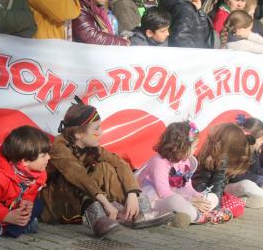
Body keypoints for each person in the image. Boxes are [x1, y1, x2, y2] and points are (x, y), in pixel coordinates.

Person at [41, 101, 172, 237]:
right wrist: (106, 203)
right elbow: (78, 176)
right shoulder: (59, 147)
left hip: (82, 198)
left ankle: (139, 211)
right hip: (58, 204)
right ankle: (97, 219)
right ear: (79, 134)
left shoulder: (92, 147)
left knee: (104, 168)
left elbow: (120, 163)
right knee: (73, 178)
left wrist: (132, 194)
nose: (101, 132)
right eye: (96, 129)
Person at [136, 122, 228, 228]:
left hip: (175, 196)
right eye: (194, 147)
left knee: (212, 197)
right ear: (181, 147)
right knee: (176, 201)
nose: (196, 150)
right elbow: (163, 193)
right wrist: (189, 201)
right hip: (151, 201)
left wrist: (197, 197)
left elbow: (187, 186)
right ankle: (198, 216)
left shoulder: (185, 161)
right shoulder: (159, 162)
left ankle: (189, 213)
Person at [0, 126, 50, 238]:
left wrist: (27, 204)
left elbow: (30, 194)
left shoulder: (40, 173)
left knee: (38, 205)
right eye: (43, 155)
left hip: (12, 208)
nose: (49, 157)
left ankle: (0, 230)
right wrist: (6, 216)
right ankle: (7, 230)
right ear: (25, 161)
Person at [192, 123, 251, 221]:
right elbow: (211, 187)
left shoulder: (214, 158)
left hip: (204, 197)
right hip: (198, 198)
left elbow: (217, 188)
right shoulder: (210, 160)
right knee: (232, 206)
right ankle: (201, 216)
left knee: (237, 205)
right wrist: (216, 210)